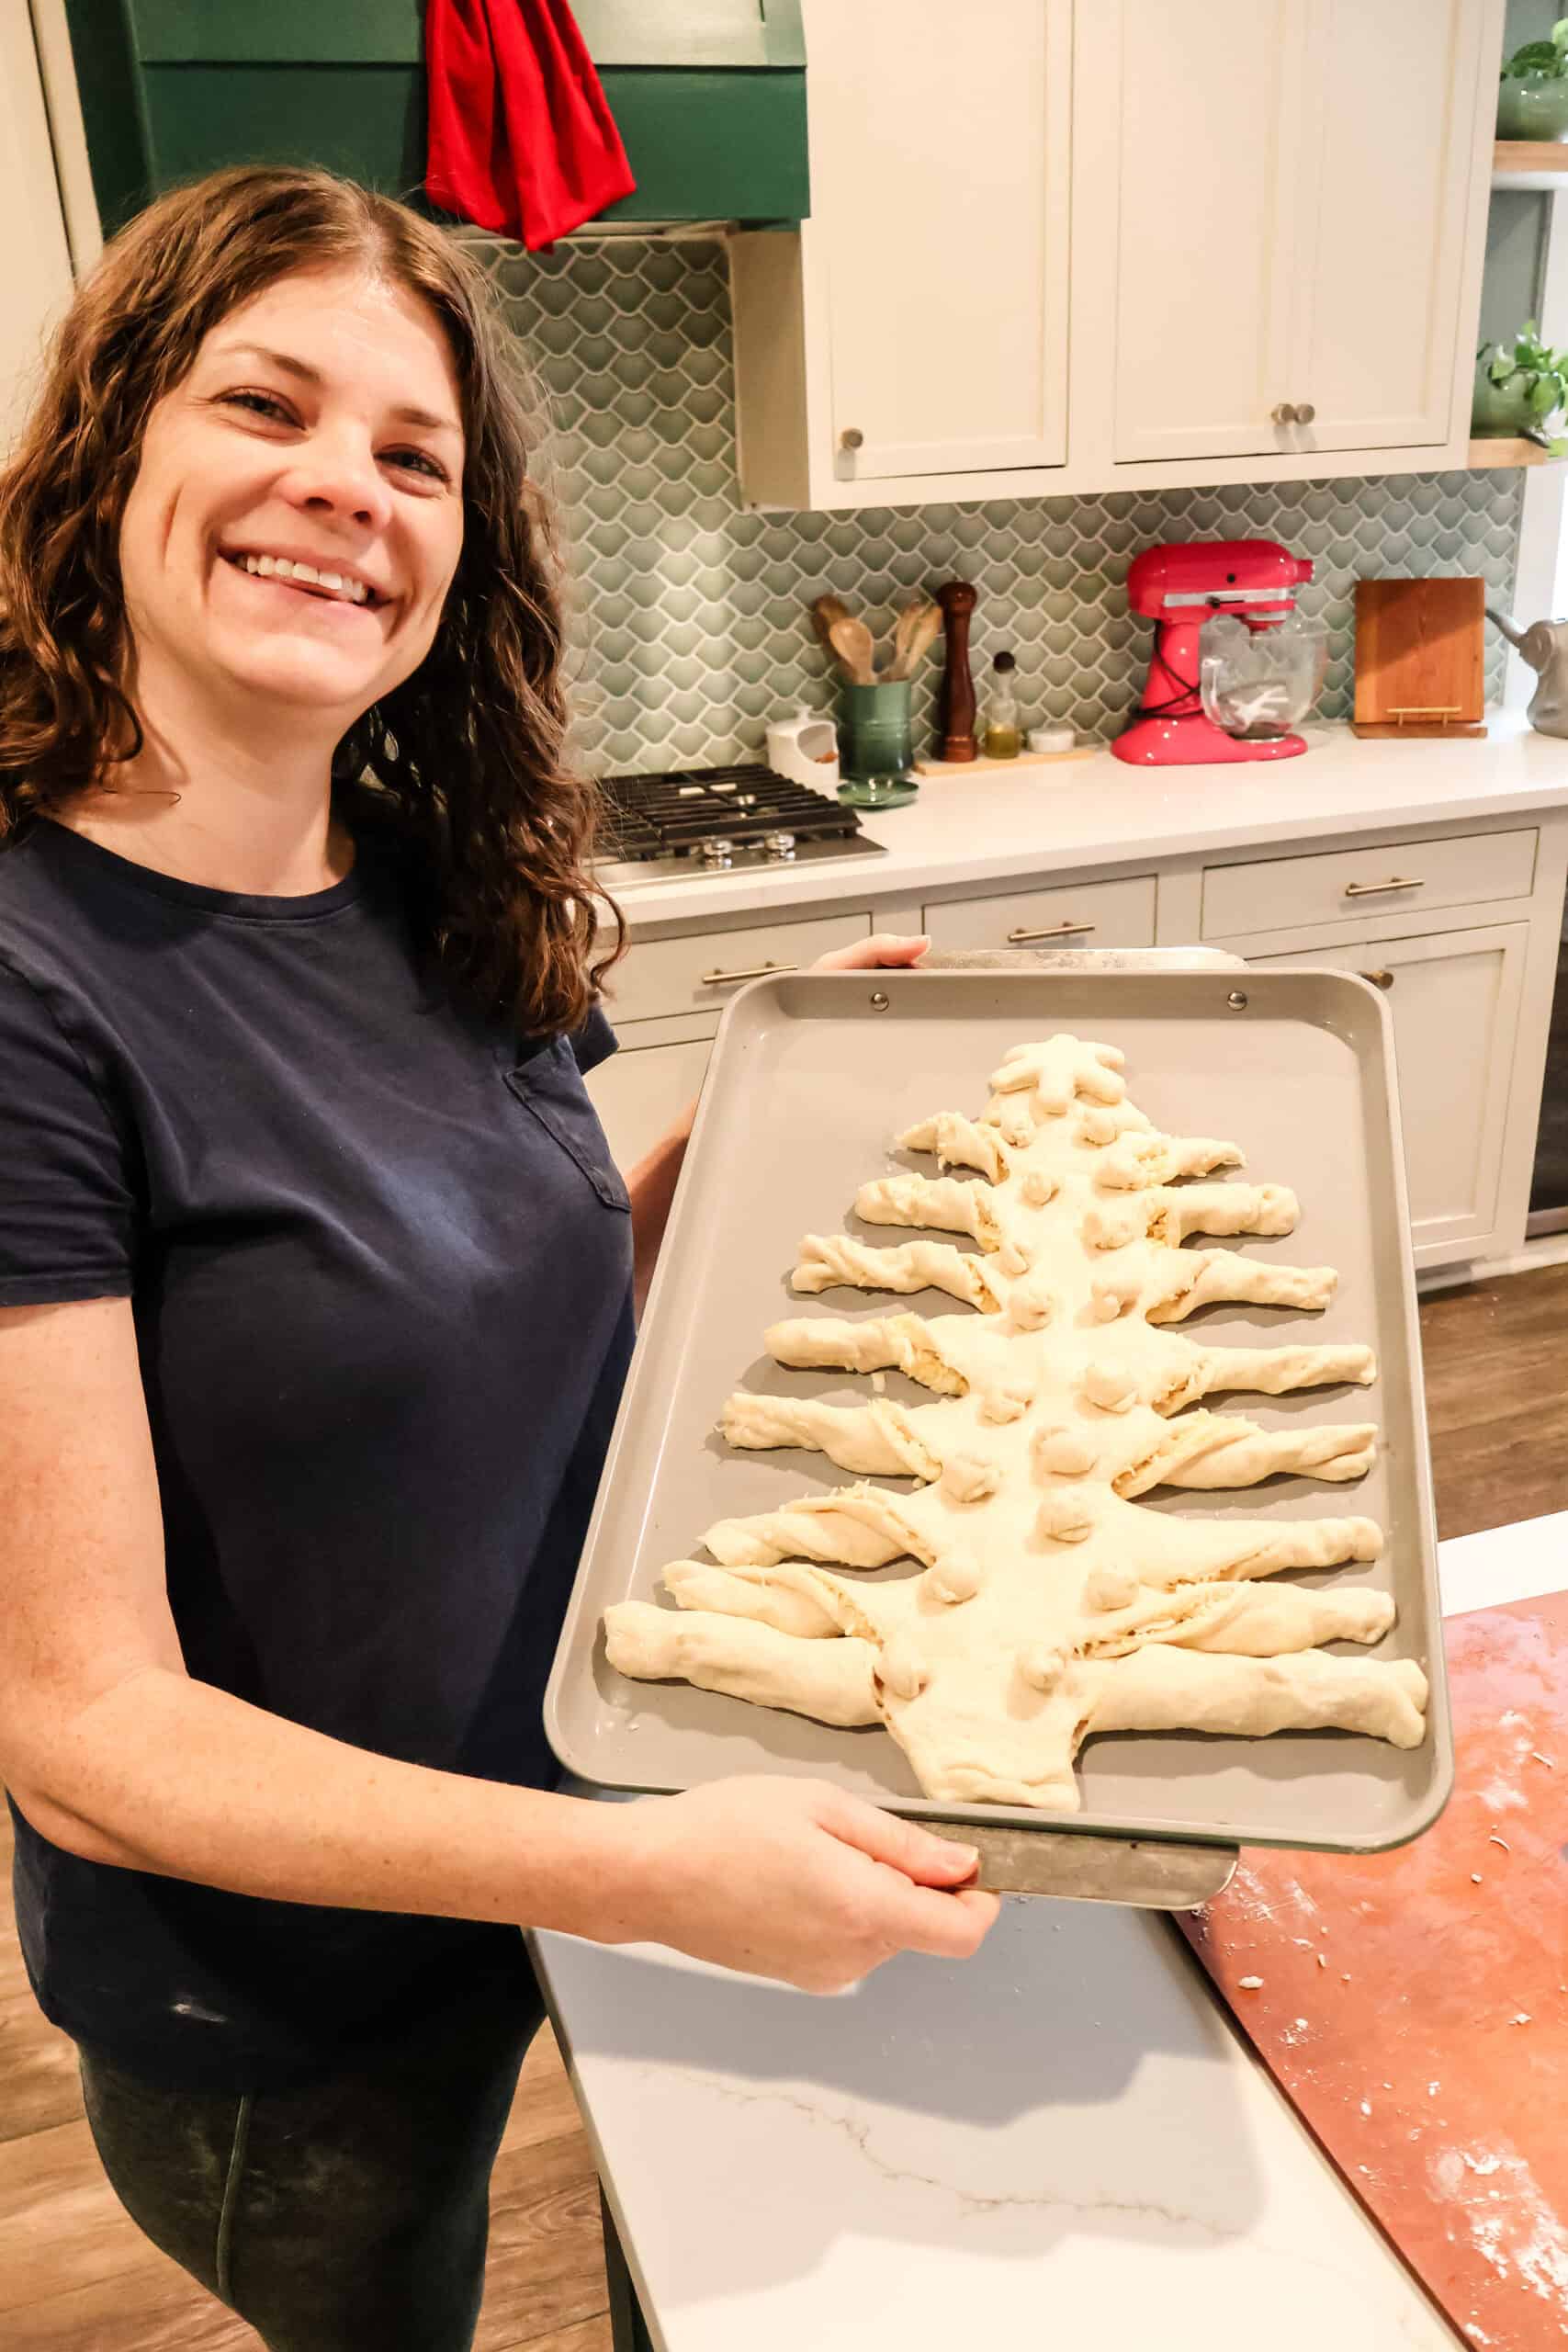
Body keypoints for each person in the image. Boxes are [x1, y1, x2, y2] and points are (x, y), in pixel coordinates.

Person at [0, 165, 998, 2348]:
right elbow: (86, 1726)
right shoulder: (30, 985)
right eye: (263, 405)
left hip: (587, 1803)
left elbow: (516, 1318)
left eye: (410, 453)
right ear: (112, 451)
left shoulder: (433, 870)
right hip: (301, 1985)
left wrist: (723, 1153)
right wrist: (653, 1874)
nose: (339, 488)